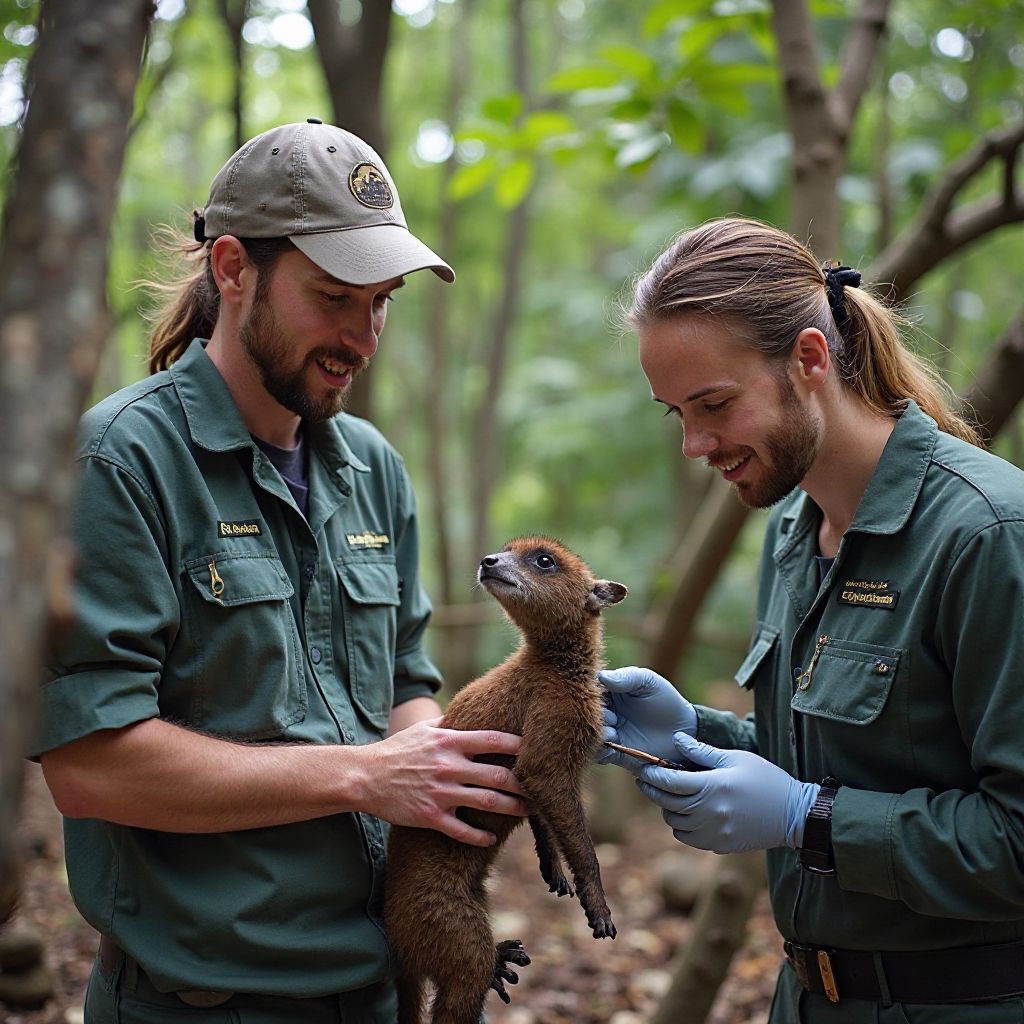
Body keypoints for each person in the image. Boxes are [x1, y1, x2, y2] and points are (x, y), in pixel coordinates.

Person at [33, 118, 528, 1023]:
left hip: (382, 985)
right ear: (232, 269)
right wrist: (365, 774)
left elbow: (407, 682)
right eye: (335, 295)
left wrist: (451, 768)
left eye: (383, 301)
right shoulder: (121, 462)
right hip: (208, 1000)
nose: (364, 337)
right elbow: (89, 764)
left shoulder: (372, 468)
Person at [600, 216, 1024, 1022]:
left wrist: (809, 821)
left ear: (809, 359)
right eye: (675, 413)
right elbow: (849, 761)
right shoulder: (793, 536)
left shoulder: (988, 535)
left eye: (714, 403)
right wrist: (696, 734)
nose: (695, 443)